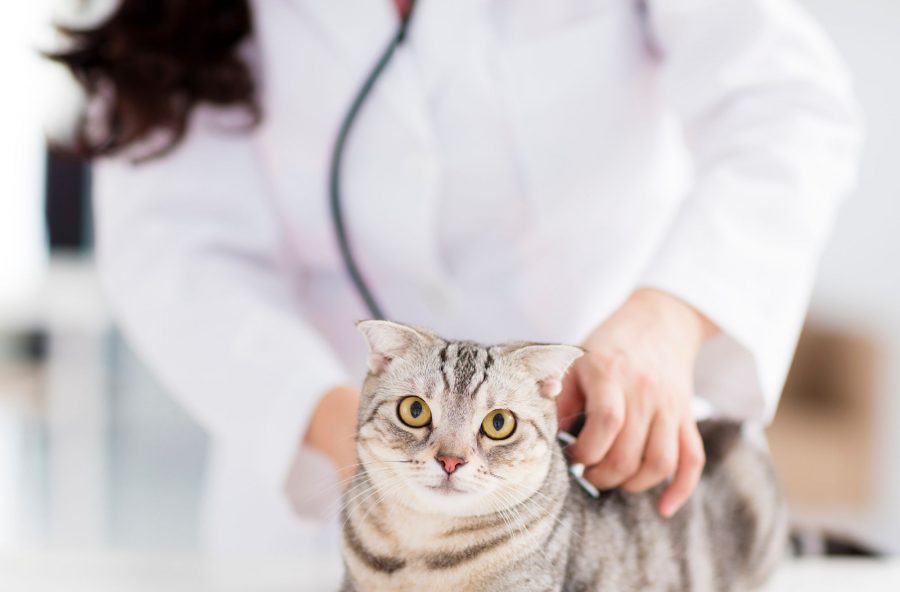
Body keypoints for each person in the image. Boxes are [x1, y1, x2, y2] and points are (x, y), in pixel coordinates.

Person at [50, 0, 861, 551]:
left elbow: (787, 108)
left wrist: (671, 316)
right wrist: (353, 441)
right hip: (318, 521)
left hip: (609, 476)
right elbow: (175, 249)